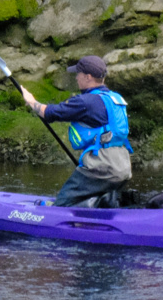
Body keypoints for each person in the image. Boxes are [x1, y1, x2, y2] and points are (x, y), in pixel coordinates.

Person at [19, 55, 133, 208]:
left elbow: (49, 113)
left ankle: (64, 209)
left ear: (88, 77)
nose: (76, 77)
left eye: (78, 74)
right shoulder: (115, 98)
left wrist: (31, 101)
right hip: (122, 167)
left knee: (63, 205)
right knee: (103, 204)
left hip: (101, 168)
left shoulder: (86, 101)